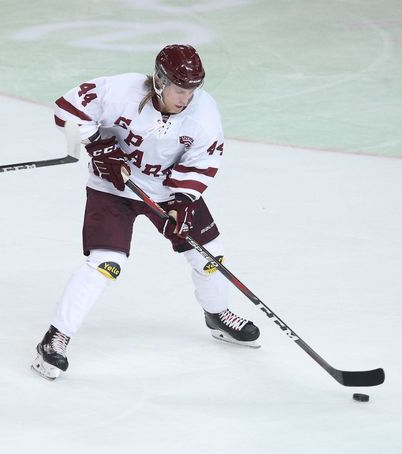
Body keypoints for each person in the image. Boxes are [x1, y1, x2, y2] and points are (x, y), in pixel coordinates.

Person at [31, 44, 260, 380]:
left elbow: (203, 161)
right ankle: (55, 338)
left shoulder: (204, 114)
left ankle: (218, 315)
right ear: (159, 81)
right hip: (112, 188)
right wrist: (99, 147)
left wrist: (183, 201)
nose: (186, 98)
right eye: (179, 90)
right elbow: (68, 109)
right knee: (107, 264)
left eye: (191, 91)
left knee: (210, 256)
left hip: (167, 190)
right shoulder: (120, 91)